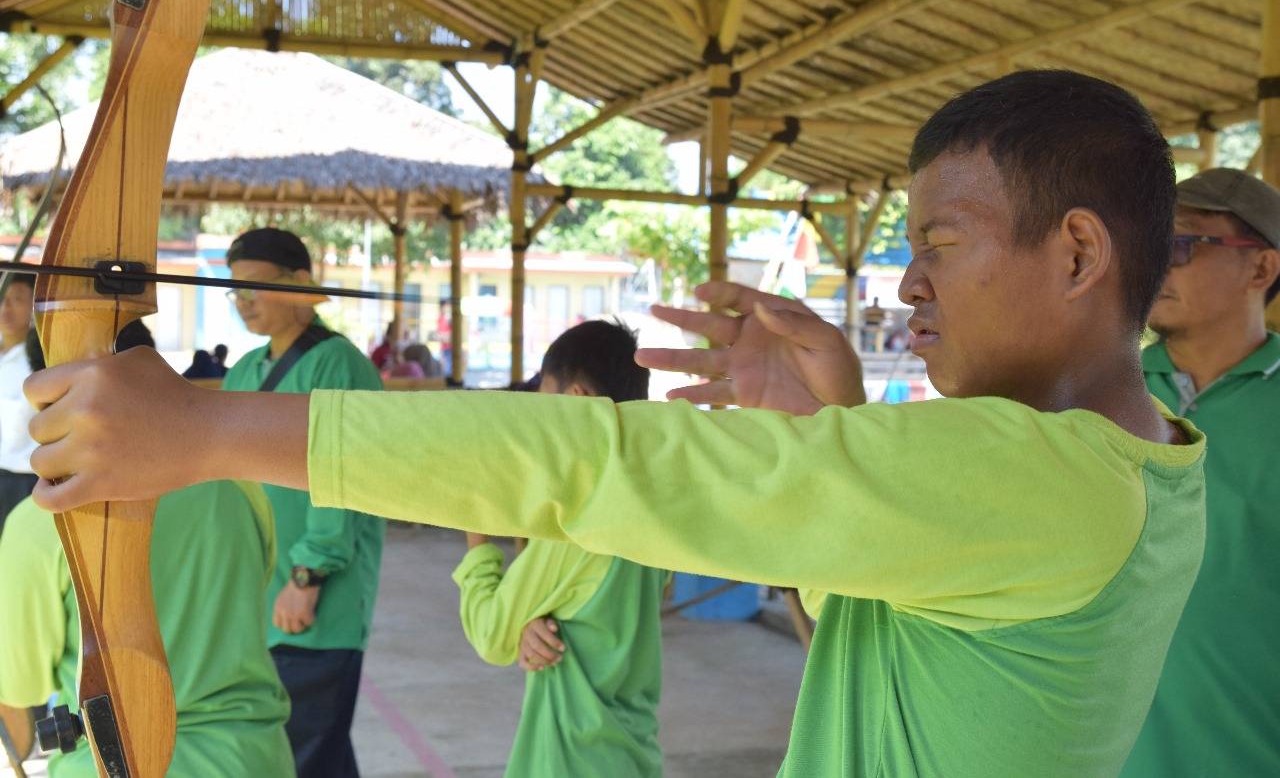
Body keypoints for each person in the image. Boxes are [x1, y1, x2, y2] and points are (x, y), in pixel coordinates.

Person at [25, 70, 1207, 778]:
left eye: (938, 246)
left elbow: (594, 465)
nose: (905, 286)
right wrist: (838, 425)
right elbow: (864, 616)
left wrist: (208, 430)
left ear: (1076, 251)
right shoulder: (1142, 470)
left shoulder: (1033, 477)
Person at [0, 319, 293, 776]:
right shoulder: (237, 483)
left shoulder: (38, 523)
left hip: (107, 764)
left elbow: (20, 687)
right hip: (252, 758)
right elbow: (257, 588)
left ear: (44, 396)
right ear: (154, 375)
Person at [1119, 169, 1280, 777]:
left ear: (1260, 269)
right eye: (1150, 245)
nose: (1157, 265)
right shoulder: (1091, 396)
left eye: (1181, 246)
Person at [453, 320, 667, 777]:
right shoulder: (647, 496)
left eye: (543, 402)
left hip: (573, 757)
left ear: (575, 402)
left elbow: (492, 636)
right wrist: (531, 616)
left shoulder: (581, 523)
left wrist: (476, 534)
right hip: (629, 752)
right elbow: (581, 597)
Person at [218, 228, 385, 777]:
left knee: (307, 750)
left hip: (313, 600)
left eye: (255, 287)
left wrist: (307, 576)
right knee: (314, 749)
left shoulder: (337, 364)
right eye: (233, 290)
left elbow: (344, 480)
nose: (243, 301)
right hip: (262, 601)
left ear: (298, 286)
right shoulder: (246, 369)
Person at [0, 274, 39, 529]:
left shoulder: (39, 363)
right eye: (2, 299)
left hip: (24, 485)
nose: (6, 308)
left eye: (17, 299)